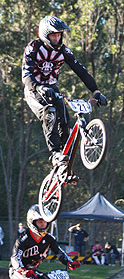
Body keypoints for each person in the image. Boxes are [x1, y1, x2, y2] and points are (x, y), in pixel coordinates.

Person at [22, 16, 108, 168]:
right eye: (53, 35)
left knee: (64, 119)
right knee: (49, 112)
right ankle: (55, 154)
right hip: (33, 90)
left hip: (51, 88)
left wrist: (96, 91)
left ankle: (64, 161)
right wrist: (38, 87)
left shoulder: (64, 51)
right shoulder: (33, 48)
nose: (57, 38)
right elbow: (26, 75)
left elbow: (81, 71)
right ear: (45, 35)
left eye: (59, 34)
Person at [9, 204, 79, 279]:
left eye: (45, 222)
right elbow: (15, 257)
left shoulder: (49, 238)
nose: (43, 224)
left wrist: (69, 262)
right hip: (18, 271)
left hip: (33, 270)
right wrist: (22, 270)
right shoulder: (23, 239)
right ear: (32, 222)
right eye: (40, 222)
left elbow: (59, 252)